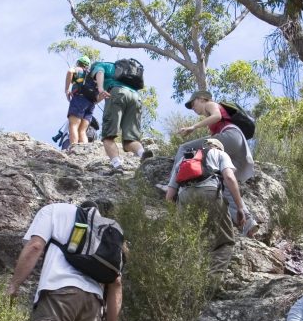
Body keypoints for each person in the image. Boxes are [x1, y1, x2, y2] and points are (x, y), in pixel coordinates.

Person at [166, 90, 258, 237]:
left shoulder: (210, 104)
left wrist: (193, 127)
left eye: (193, 103)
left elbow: (217, 116)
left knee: (184, 148)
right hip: (236, 143)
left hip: (230, 136)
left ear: (202, 99)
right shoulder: (213, 120)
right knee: (224, 183)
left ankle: (172, 184)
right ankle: (248, 223)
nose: (193, 108)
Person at [167, 138, 245, 282]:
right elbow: (229, 177)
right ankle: (212, 284)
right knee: (224, 242)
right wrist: (240, 207)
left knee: (190, 242)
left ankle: (187, 283)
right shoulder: (220, 154)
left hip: (184, 196)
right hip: (209, 191)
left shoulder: (184, 159)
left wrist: (176, 217)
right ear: (219, 147)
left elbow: (170, 195)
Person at [90, 61, 152, 173]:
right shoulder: (119, 68)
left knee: (108, 136)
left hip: (117, 93)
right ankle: (143, 154)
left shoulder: (100, 65)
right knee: (130, 139)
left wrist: (100, 89)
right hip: (135, 97)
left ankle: (117, 165)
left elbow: (99, 72)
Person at [64, 55, 95, 147]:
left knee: (73, 125)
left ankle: (74, 147)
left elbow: (70, 71)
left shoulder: (77, 69)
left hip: (79, 99)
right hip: (90, 103)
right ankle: (84, 150)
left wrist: (67, 90)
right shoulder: (91, 74)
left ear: (79, 63)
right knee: (82, 130)